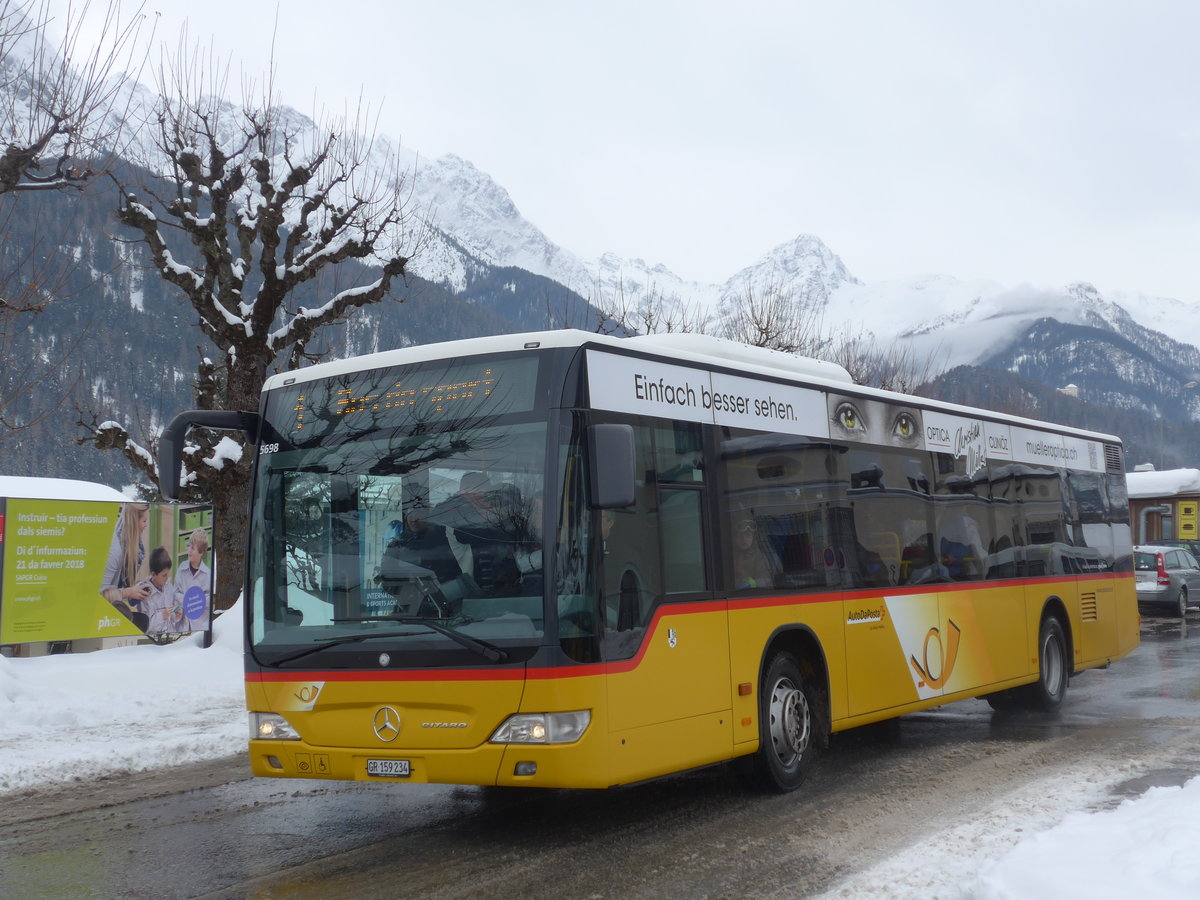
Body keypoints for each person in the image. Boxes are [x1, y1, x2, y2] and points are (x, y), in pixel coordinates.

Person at [100, 502, 151, 626]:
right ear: (134, 521)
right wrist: (127, 592)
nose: (146, 525)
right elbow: (99, 596)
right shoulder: (114, 552)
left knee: (144, 619)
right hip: (102, 613)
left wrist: (136, 589)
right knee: (143, 622)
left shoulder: (132, 542)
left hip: (115, 604)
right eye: (144, 521)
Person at [173, 529, 212, 632]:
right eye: (189, 546)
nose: (189, 550)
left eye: (193, 548)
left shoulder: (208, 574)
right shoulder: (182, 568)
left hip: (200, 626)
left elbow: (208, 600)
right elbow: (176, 592)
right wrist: (187, 601)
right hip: (182, 624)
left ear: (201, 552)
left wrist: (194, 602)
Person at [142, 546, 184, 635]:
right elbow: (147, 627)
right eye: (164, 575)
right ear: (153, 575)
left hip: (171, 636)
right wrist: (162, 616)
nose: (167, 578)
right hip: (154, 641)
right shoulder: (145, 594)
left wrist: (176, 615)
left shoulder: (169, 587)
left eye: (168, 574)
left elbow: (172, 617)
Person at [731, 517, 772, 589]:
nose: (743, 539)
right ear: (734, 538)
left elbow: (766, 580)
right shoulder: (729, 555)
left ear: (753, 538)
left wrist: (754, 583)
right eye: (739, 536)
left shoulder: (759, 556)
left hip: (752, 593)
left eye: (748, 535)